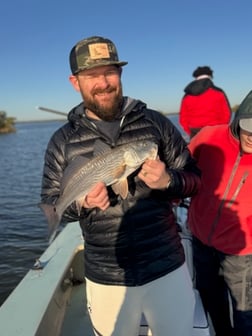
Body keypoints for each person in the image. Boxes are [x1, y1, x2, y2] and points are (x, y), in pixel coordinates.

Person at [40, 35, 201, 336]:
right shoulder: (61, 142)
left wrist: (170, 181)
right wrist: (81, 202)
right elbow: (52, 197)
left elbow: (195, 180)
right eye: (91, 75)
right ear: (75, 82)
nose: (103, 82)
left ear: (121, 74)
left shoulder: (156, 123)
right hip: (107, 274)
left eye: (110, 72)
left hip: (166, 264)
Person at [187, 90, 252, 336]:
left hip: (242, 255)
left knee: (246, 317)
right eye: (249, 127)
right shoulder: (209, 136)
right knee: (211, 302)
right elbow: (183, 167)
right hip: (201, 241)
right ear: (237, 119)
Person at [179, 66, 232, 138]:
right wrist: (221, 129)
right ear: (210, 76)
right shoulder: (218, 92)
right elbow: (227, 113)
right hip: (216, 131)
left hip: (195, 133)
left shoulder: (187, 96)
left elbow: (183, 118)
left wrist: (190, 132)